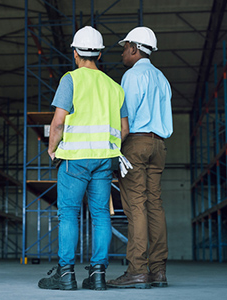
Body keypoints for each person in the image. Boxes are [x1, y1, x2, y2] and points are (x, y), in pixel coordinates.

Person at [38, 26, 129, 291]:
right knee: (101, 214)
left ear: (76, 54)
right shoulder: (115, 87)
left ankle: (66, 275)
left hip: (75, 159)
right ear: (99, 55)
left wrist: (52, 149)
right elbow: (124, 130)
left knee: (68, 214)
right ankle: (98, 274)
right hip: (104, 160)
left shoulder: (71, 80)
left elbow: (57, 123)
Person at [107, 27, 173, 289]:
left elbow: (126, 120)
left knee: (136, 206)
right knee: (155, 206)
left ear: (134, 48)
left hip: (136, 142)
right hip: (159, 145)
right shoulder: (162, 78)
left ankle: (136, 270)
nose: (123, 52)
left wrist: (114, 150)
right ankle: (158, 271)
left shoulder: (132, 76)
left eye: (125, 47)